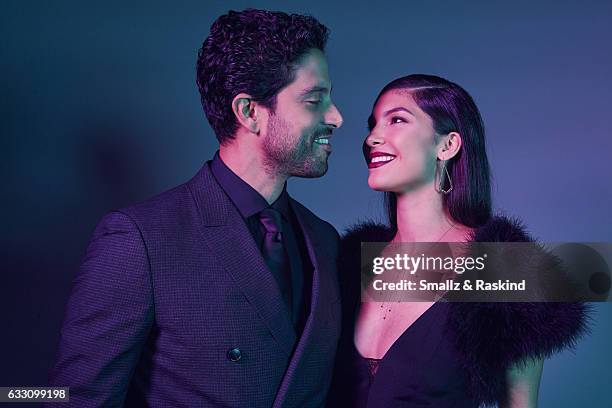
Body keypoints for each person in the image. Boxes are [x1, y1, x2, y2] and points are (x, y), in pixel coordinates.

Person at [48, 9, 343, 407]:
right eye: (314, 100)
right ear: (249, 112)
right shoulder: (140, 240)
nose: (336, 117)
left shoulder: (324, 239)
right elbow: (74, 398)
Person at [328, 74, 589, 407]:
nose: (372, 138)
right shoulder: (344, 265)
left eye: (396, 120)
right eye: (373, 124)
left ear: (447, 145)